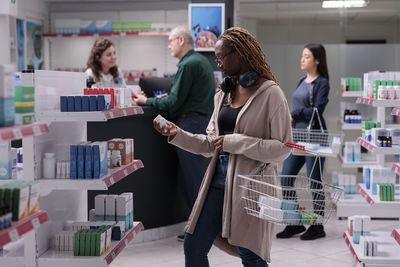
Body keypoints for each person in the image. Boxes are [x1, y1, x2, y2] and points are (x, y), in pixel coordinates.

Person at [153, 27, 292, 267]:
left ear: (241, 54)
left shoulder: (271, 94)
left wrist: (236, 142)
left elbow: (282, 148)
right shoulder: (223, 96)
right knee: (193, 245)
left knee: (251, 255)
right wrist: (177, 134)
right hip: (217, 182)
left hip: (251, 186)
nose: (218, 64)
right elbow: (210, 144)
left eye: (222, 57)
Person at [133, 25, 215, 240]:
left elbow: (174, 102)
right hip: (199, 123)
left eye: (170, 41)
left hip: (190, 124)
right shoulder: (200, 62)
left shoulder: (188, 64)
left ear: (180, 40)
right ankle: (201, 226)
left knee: (194, 179)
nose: (168, 45)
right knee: (192, 177)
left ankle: (203, 229)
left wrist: (146, 101)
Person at [276, 43, 330, 241]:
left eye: (306, 56)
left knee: (314, 182)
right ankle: (294, 222)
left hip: (315, 137)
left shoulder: (322, 83)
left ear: (317, 61)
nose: (302, 59)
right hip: (298, 137)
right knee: (286, 176)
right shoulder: (302, 80)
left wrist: (295, 113)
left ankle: (317, 226)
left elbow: (317, 110)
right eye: (302, 56)